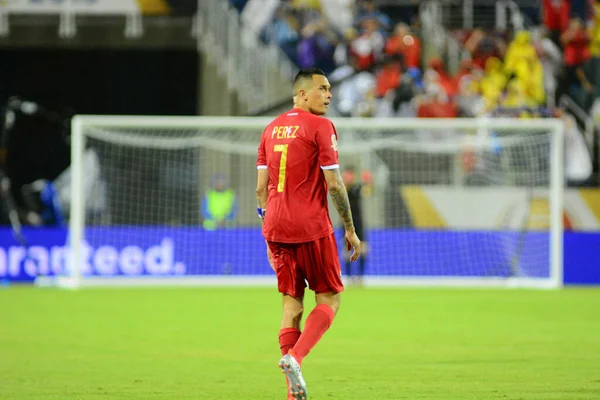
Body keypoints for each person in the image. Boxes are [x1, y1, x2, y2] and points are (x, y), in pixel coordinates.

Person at [255, 68, 361, 400]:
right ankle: (295, 358)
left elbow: (261, 189)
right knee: (330, 298)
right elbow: (334, 184)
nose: (329, 95)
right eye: (322, 89)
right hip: (311, 226)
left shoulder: (269, 130)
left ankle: (292, 393)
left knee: (291, 305)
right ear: (302, 94)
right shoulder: (321, 126)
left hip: (274, 226)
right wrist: (350, 229)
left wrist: (267, 220)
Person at [341, 166, 371, 286]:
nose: (348, 178)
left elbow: (367, 192)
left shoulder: (356, 188)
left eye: (349, 176)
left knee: (363, 250)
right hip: (346, 225)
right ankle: (348, 277)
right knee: (347, 251)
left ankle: (360, 277)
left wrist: (368, 182)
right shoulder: (340, 189)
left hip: (359, 224)